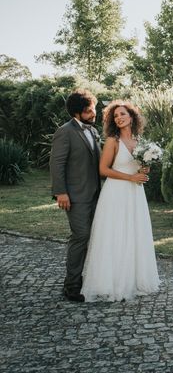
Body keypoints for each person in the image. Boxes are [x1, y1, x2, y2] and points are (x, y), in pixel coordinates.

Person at [81, 100, 160, 302]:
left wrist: (143, 170)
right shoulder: (112, 141)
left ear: (132, 117)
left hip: (135, 194)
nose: (119, 118)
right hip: (116, 192)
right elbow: (103, 170)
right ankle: (110, 282)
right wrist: (130, 177)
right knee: (116, 233)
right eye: (115, 116)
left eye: (123, 114)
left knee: (134, 232)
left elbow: (138, 167)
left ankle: (134, 280)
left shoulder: (140, 142)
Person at [50, 89, 101, 302]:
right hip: (75, 195)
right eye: (89, 111)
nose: (93, 114)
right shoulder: (65, 131)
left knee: (94, 238)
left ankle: (89, 280)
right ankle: (71, 286)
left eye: (94, 109)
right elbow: (57, 163)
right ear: (77, 113)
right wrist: (61, 192)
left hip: (97, 194)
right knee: (80, 236)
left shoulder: (93, 131)